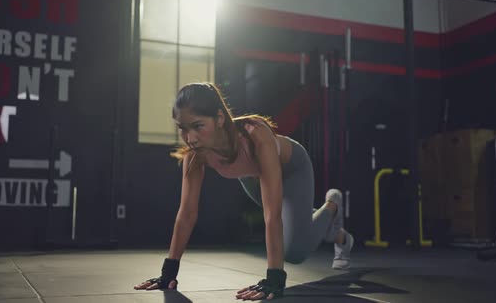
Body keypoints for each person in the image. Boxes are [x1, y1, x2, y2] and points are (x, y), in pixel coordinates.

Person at [134, 82, 354, 300]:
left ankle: (332, 206)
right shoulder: (195, 155)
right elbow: (187, 213)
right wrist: (168, 273)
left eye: (198, 126)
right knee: (293, 225)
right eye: (183, 128)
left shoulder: (255, 134)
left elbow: (271, 215)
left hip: (292, 170)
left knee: (294, 252)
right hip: (253, 178)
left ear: (219, 118)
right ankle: (335, 234)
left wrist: (274, 279)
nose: (190, 138)